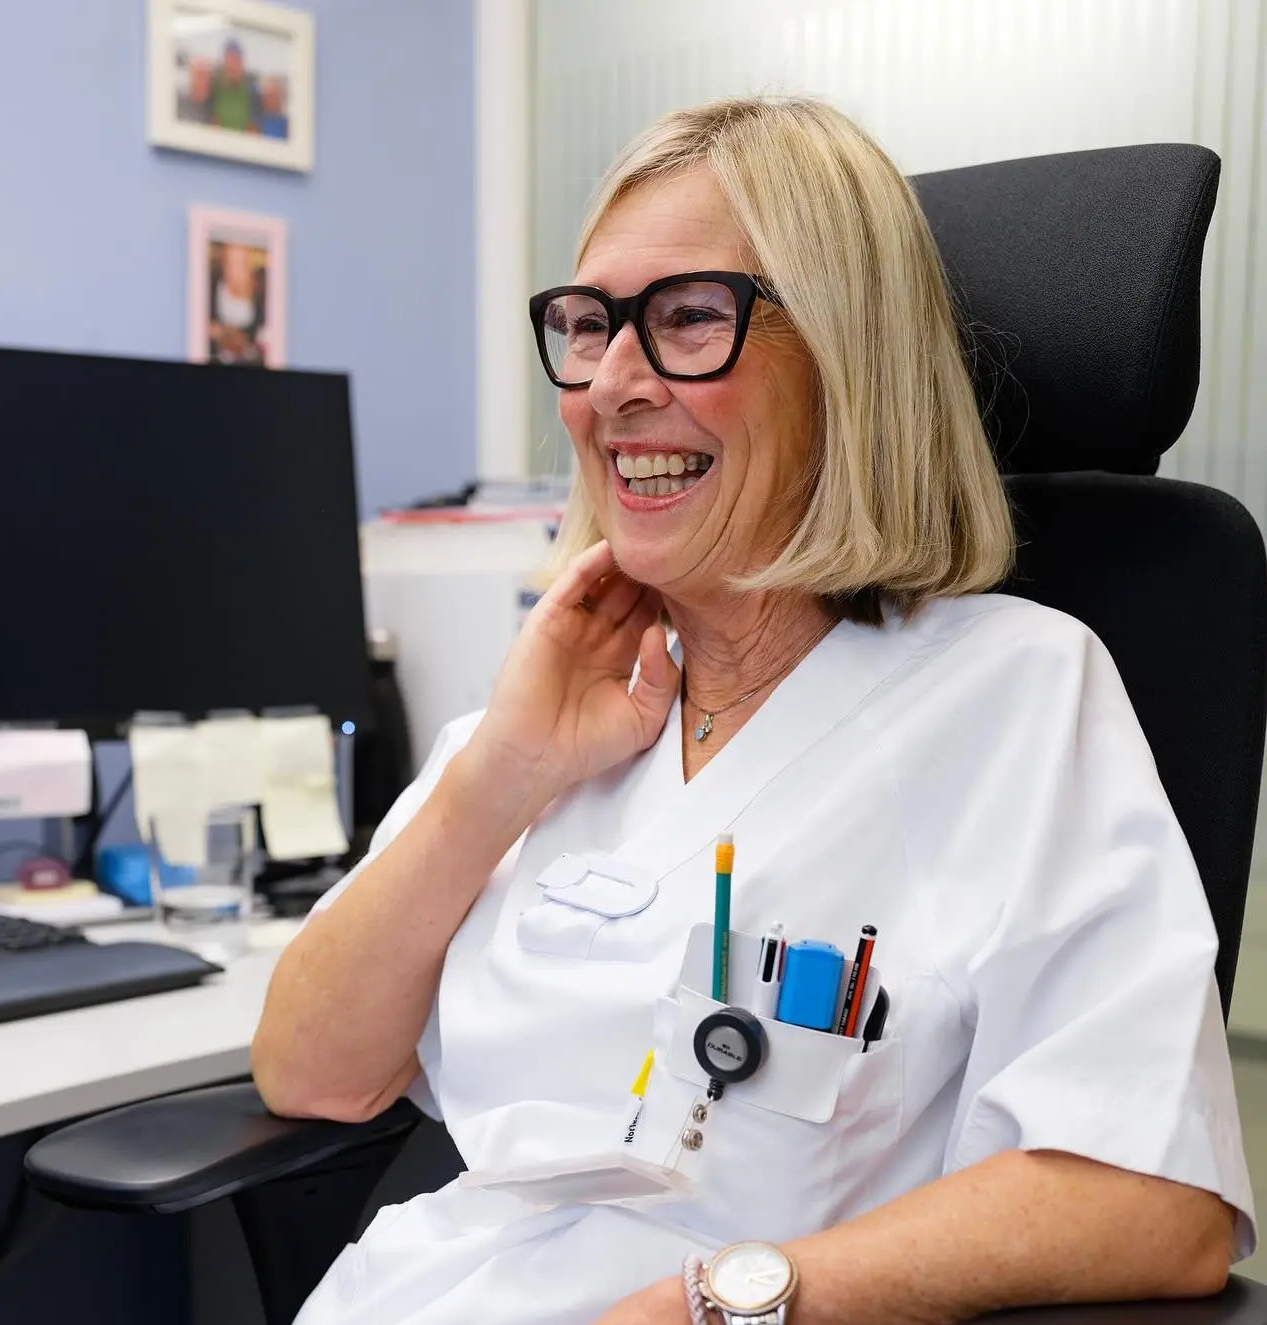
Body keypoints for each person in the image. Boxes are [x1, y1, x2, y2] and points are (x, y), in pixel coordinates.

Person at [254, 97, 1254, 1325]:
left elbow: (1153, 1198)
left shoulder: (1015, 694)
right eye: (588, 325)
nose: (611, 385)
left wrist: (711, 1303)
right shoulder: (558, 701)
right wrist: (501, 772)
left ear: (845, 357)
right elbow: (309, 1069)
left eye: (686, 318)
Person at [211, 38, 254, 133]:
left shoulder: (251, 91)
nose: (233, 65)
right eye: (230, 60)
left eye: (236, 60)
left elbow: (253, 126)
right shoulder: (214, 88)